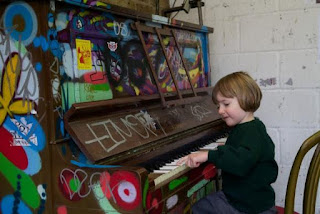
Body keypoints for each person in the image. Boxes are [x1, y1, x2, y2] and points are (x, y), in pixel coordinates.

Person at [177, 71, 278, 214]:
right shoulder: (250, 127)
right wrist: (228, 149)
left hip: (248, 207)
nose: (220, 110)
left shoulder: (251, 132)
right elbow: (246, 152)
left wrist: (208, 155)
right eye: (218, 106)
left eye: (226, 104)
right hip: (248, 201)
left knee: (198, 208)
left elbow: (241, 162)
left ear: (246, 98)